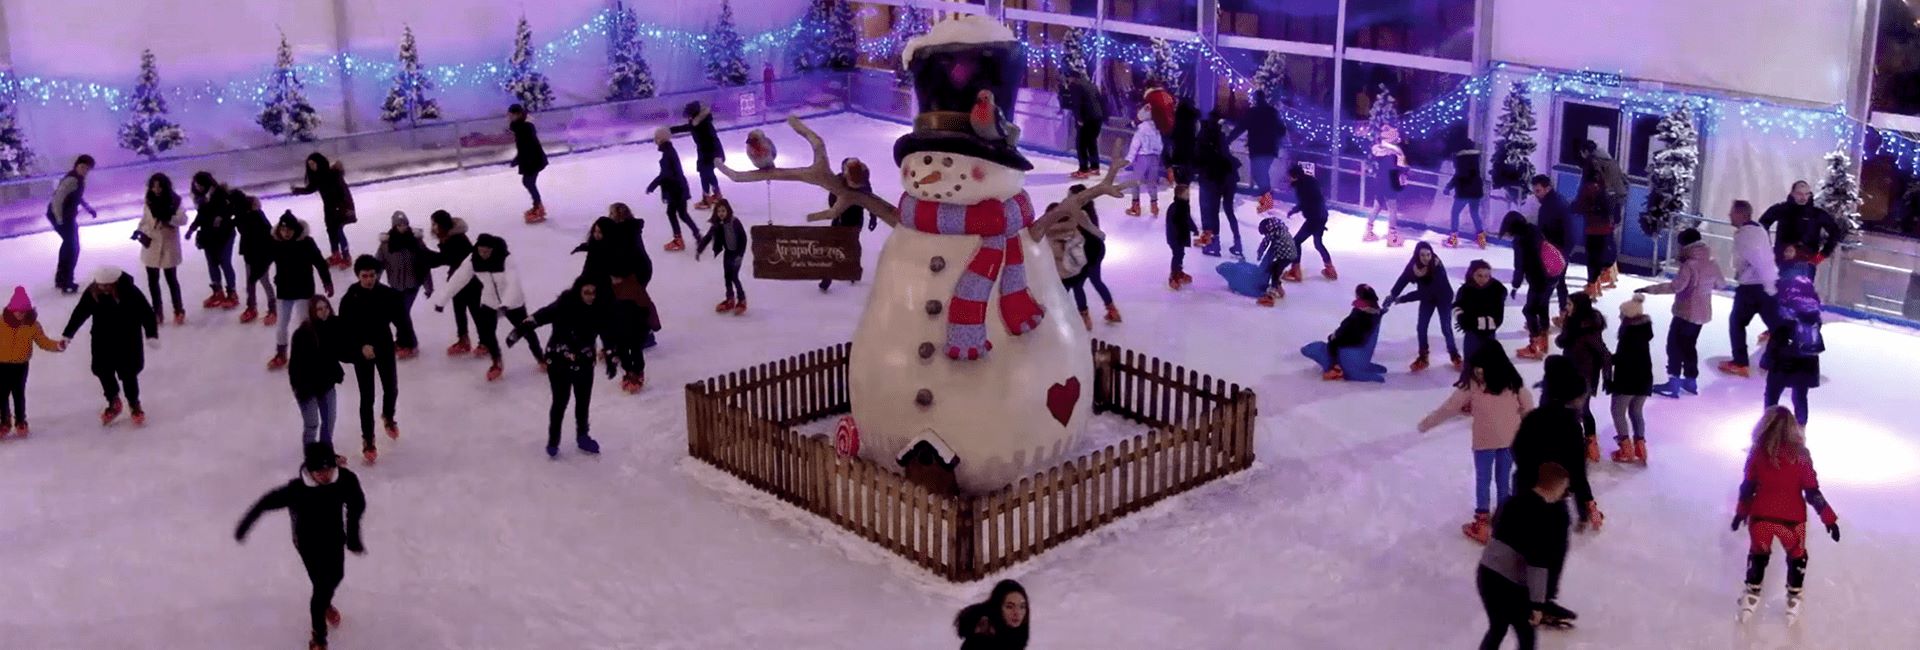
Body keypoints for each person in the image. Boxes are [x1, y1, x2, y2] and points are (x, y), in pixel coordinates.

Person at [234, 442, 367, 650]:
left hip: (334, 537)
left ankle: (324, 604)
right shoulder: (297, 490)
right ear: (309, 470)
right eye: (319, 471)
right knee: (321, 585)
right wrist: (245, 525)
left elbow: (357, 504)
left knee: (336, 576)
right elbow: (266, 502)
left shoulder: (345, 480)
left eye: (329, 469)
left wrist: (352, 536)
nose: (324, 475)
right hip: (307, 542)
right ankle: (319, 636)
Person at [1511, 356, 1598, 626]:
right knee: (1552, 549)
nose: (1584, 401)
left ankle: (1529, 594)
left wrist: (1530, 474)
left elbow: (1517, 449)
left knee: (1530, 546)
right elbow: (1577, 471)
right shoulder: (1571, 427)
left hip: (1525, 489)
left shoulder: (1536, 417)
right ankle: (1539, 601)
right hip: (1550, 497)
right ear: (1573, 398)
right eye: (1583, 397)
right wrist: (1584, 507)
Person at [1731, 406, 1839, 621]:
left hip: (1761, 517)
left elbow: (1747, 487)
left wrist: (1741, 513)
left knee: (1758, 554)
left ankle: (1752, 593)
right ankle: (1793, 598)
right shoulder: (1801, 456)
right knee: (1797, 556)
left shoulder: (1757, 453)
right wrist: (1829, 518)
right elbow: (1812, 491)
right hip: (1791, 520)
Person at [1418, 344, 1533, 544]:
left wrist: (1427, 423)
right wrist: (1523, 424)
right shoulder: (1513, 379)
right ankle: (1502, 519)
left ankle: (1481, 522)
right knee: (1503, 478)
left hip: (1485, 440)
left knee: (1483, 479)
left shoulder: (1475, 381)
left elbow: (1450, 407)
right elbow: (1528, 406)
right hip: (1510, 438)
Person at [509, 277, 616, 457]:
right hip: (559, 359)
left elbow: (608, 334)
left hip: (584, 361)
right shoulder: (563, 306)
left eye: (593, 293)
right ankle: (553, 440)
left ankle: (583, 435)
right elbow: (538, 317)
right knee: (561, 400)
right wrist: (518, 332)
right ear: (578, 292)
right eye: (586, 292)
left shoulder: (599, 310)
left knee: (583, 401)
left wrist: (611, 357)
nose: (590, 297)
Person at [1475, 461, 1574, 650]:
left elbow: (1496, 526)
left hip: (1486, 574)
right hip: (1508, 583)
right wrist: (1537, 605)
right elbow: (1537, 563)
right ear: (1559, 486)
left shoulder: (1512, 501)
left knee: (1497, 627)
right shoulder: (1545, 518)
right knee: (1526, 636)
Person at [434, 234, 541, 381]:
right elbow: (458, 278)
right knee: (487, 333)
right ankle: (496, 361)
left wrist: (506, 304)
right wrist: (442, 300)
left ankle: (541, 358)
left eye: (486, 251)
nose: (483, 254)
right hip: (489, 301)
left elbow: (513, 283)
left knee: (526, 330)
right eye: (480, 250)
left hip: (513, 302)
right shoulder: (473, 259)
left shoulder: (505, 259)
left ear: (493, 249)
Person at [61, 267, 159, 426]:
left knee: (128, 373)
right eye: (101, 286)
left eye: (107, 286)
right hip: (102, 338)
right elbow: (80, 313)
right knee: (102, 369)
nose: (104, 289)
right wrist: (68, 334)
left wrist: (151, 334)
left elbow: (146, 312)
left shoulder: (130, 291)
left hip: (128, 338)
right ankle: (113, 400)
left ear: (115, 283)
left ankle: (134, 404)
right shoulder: (93, 292)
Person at [1637, 228, 1723, 398]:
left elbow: (1676, 287)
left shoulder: (1689, 264)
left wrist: (1650, 289)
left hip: (1685, 313)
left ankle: (1673, 382)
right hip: (1702, 314)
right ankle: (1691, 380)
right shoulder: (1712, 262)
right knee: (1689, 346)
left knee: (1674, 346)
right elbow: (1720, 284)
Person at [338, 256, 406, 463]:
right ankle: (368, 439)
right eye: (364, 276)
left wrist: (403, 338)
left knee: (391, 387)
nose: (369, 279)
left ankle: (388, 416)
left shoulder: (387, 294)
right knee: (367, 397)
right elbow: (345, 329)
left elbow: (400, 319)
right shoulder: (350, 298)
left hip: (384, 346)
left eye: (372, 276)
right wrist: (360, 346)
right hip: (363, 352)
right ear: (358, 276)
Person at [266, 214, 336, 371]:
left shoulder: (306, 243)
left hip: (304, 290)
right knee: (281, 325)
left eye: (289, 229)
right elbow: (265, 260)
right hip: (284, 291)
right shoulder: (276, 243)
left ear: (295, 229)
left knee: (304, 324)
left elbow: (319, 262)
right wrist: (255, 275)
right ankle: (281, 353)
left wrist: (327, 282)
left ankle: (306, 353)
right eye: (283, 229)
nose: (286, 233)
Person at [0, 286, 66, 437]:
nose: (20, 315)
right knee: (1, 394)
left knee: (18, 393)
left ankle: (21, 420)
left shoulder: (33, 325)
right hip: (1, 365)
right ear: (11, 309)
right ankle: (4, 421)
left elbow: (43, 342)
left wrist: (57, 345)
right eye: (17, 311)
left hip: (20, 365)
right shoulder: (1, 323)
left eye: (23, 312)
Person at [1723, 200, 1778, 377]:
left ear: (1741, 214)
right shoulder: (1758, 230)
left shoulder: (1746, 235)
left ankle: (1740, 363)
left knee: (1736, 323)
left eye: (1732, 212)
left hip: (1752, 288)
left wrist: (1769, 285)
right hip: (1762, 285)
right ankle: (1770, 361)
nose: (1729, 215)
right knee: (1776, 326)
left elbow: (1759, 260)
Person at [1554, 293, 1610, 462]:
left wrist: (1608, 375)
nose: (1566, 308)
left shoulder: (1586, 329)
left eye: (1570, 305)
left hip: (1582, 377)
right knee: (1579, 410)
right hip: (1573, 374)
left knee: (1579, 411)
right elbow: (1561, 342)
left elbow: (1602, 352)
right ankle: (1588, 445)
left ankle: (1586, 446)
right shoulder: (1576, 325)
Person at [1385, 242, 1459, 371]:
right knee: (1421, 327)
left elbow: (1426, 291)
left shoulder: (1437, 266)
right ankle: (1423, 357)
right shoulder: (1413, 266)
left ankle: (1454, 355)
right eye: (1423, 255)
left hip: (1443, 297)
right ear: (1417, 255)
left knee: (1446, 328)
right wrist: (1392, 295)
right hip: (1427, 299)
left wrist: (1403, 298)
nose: (1426, 258)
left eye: (1428, 254)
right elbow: (1403, 279)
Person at [1502, 211, 1565, 360]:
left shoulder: (1520, 241)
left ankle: (1534, 345)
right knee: (1543, 306)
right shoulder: (1533, 229)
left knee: (1529, 311)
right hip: (1552, 275)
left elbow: (1520, 266)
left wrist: (1516, 285)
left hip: (1538, 279)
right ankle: (1544, 340)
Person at [1762, 272, 1824, 425]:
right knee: (1800, 397)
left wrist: (1766, 361)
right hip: (1806, 362)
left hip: (1783, 359)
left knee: (1772, 395)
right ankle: (1800, 431)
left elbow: (1777, 334)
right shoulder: (1814, 310)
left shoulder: (1785, 308)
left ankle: (1769, 428)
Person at [287, 297, 346, 453]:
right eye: (319, 309)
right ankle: (312, 456)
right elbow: (295, 366)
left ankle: (326, 453)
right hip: (306, 387)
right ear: (312, 311)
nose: (324, 312)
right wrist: (299, 388)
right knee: (312, 424)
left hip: (326, 384)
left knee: (329, 422)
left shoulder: (334, 326)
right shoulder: (302, 334)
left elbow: (342, 351)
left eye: (325, 307)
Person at [373, 212, 433, 359]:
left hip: (413, 284)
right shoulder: (386, 245)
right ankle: (402, 341)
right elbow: (378, 264)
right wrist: (373, 282)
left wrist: (428, 285)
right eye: (399, 225)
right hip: (395, 285)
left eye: (405, 224)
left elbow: (424, 264)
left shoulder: (416, 242)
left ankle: (411, 344)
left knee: (403, 314)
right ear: (394, 226)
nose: (403, 227)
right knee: (399, 315)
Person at [1759, 181, 1845, 278]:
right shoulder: (1781, 209)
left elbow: (1835, 232)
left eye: (1806, 194)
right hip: (1781, 261)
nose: (1803, 197)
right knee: (1780, 291)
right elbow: (1761, 226)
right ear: (1792, 193)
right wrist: (1768, 250)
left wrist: (1820, 256)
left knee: (1801, 292)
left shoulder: (1817, 214)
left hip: (1806, 262)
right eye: (1799, 194)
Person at [135, 173, 190, 325]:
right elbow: (145, 219)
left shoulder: (175, 200)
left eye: (159, 186)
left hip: (168, 245)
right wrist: (140, 230)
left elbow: (183, 219)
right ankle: (157, 311)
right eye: (153, 186)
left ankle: (178, 310)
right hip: (152, 245)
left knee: (171, 280)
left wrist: (168, 218)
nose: (156, 189)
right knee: (153, 281)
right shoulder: (149, 201)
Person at [427, 210, 481, 356]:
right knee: (459, 311)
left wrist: (424, 254)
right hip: (457, 281)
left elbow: (446, 259)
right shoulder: (448, 237)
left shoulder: (457, 239)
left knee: (476, 312)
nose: (432, 227)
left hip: (470, 282)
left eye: (434, 224)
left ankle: (485, 342)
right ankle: (463, 340)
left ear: (442, 224)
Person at [290, 153, 357, 268]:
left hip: (340, 208)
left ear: (319, 162)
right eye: (309, 165)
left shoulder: (333, 174)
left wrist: (346, 208)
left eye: (313, 164)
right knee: (331, 232)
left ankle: (346, 257)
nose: (311, 167)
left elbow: (344, 191)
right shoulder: (317, 177)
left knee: (339, 232)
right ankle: (336, 255)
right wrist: (297, 190)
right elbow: (310, 188)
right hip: (329, 209)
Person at [1065, 185, 1119, 326]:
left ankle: (1085, 318)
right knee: (1096, 280)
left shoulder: (1079, 214)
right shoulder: (1089, 208)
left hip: (1088, 252)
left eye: (1070, 195)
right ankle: (1112, 310)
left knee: (1078, 285)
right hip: (1097, 249)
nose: (1067, 198)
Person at [1193, 108, 1243, 258]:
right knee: (1228, 210)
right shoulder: (1221, 136)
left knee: (1211, 211)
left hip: (1212, 178)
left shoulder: (1204, 136)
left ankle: (1213, 244)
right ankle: (1237, 243)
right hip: (1229, 176)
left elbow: (1198, 157)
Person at [1578, 140, 1627, 291]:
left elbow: (1587, 187)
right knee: (1608, 239)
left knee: (1594, 247)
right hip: (1614, 204)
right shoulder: (1611, 160)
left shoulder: (1592, 162)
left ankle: (1594, 281)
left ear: (1585, 151)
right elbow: (1623, 181)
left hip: (1598, 209)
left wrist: (1580, 204)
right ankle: (1609, 273)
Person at [186, 173, 239, 310]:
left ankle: (232, 292)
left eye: (200, 185)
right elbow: (201, 215)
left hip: (224, 235)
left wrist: (221, 217)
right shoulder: (201, 199)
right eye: (196, 185)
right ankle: (217, 291)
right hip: (208, 236)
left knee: (224, 261)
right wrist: (192, 229)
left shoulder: (220, 194)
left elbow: (230, 209)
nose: (197, 187)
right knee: (212, 263)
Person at [46, 154, 97, 294]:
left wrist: (88, 208)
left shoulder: (79, 179)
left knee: (70, 246)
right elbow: (57, 200)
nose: (84, 170)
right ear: (76, 165)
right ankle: (66, 282)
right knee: (72, 248)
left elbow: (77, 196)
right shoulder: (71, 180)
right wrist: (59, 220)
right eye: (82, 167)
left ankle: (62, 279)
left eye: (87, 168)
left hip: (66, 216)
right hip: (61, 216)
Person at [1229, 89, 1286, 213]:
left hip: (1257, 149)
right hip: (1270, 148)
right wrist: (1276, 139)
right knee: (1263, 173)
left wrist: (1228, 139)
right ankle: (1266, 199)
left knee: (1258, 174)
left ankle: (1267, 200)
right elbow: (1282, 130)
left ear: (1255, 99)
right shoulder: (1272, 112)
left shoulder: (1252, 113)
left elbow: (1240, 128)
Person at [820, 159, 872, 292]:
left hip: (855, 218)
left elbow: (871, 200)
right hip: (839, 218)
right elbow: (832, 198)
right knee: (832, 246)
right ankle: (828, 276)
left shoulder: (863, 180)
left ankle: (853, 268)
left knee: (852, 244)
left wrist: (873, 217)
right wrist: (835, 209)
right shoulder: (838, 181)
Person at [647, 128, 702, 251]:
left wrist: (653, 185)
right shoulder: (669, 151)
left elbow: (665, 175)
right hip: (679, 188)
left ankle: (680, 239)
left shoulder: (668, 153)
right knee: (681, 214)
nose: (655, 140)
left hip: (676, 190)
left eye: (656, 138)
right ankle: (696, 235)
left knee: (674, 213)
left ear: (661, 139)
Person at [1282, 164, 1336, 282]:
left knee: (1295, 242)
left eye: (1290, 177)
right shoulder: (1311, 181)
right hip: (1322, 215)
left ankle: (1296, 271)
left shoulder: (1301, 186)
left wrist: (1294, 210)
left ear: (1295, 176)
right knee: (1318, 243)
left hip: (1314, 218)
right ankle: (1331, 270)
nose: (1289, 179)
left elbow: (1305, 202)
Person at [696, 199, 750, 315]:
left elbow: (743, 239)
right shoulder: (717, 225)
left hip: (737, 254)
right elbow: (708, 237)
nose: (721, 213)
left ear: (728, 211)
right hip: (728, 253)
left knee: (734, 277)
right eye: (719, 211)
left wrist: (740, 254)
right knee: (727, 277)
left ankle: (742, 299)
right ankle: (730, 299)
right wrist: (699, 250)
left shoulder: (735, 222)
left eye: (723, 211)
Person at [1530, 175, 1574, 315]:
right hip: (1562, 248)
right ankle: (1564, 313)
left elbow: (1544, 231)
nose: (1536, 195)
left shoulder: (1549, 206)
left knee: (1547, 287)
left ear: (1547, 188)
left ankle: (1540, 323)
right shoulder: (1556, 201)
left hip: (1556, 249)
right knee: (1559, 282)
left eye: (1538, 191)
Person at [670, 101, 726, 209]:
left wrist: (670, 130)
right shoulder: (701, 122)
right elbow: (688, 127)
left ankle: (707, 199)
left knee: (705, 174)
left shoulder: (700, 124)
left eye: (689, 116)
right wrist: (671, 130)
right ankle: (716, 194)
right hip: (709, 152)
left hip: (708, 153)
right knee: (708, 174)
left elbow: (689, 128)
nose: (688, 118)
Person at [234, 191, 280, 325]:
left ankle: (272, 309)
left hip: (261, 255)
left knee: (263, 280)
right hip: (250, 254)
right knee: (250, 282)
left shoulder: (258, 218)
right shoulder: (242, 218)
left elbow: (269, 235)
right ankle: (251, 307)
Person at [1320, 284, 1383, 381]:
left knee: (1333, 344)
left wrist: (1336, 335)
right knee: (1334, 339)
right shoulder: (1373, 310)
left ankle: (1336, 368)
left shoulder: (1362, 313)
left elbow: (1349, 327)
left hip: (1355, 339)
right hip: (1359, 337)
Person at [1453, 260, 1507, 363]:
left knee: (1488, 359)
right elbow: (1457, 306)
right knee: (1470, 357)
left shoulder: (1496, 290)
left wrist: (1474, 322)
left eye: (1487, 276)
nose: (1483, 279)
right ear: (1472, 274)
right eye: (1479, 275)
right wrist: (1461, 319)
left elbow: (1498, 316)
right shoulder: (1465, 290)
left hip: (1489, 332)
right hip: (1472, 332)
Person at [954, 579, 1030, 650]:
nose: (1017, 613)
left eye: (1022, 607)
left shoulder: (1015, 636)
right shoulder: (980, 642)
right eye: (1009, 607)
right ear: (998, 608)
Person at [1364, 127, 1408, 246]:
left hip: (1380, 181)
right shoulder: (1395, 153)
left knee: (1377, 206)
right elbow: (1401, 168)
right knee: (1392, 208)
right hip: (1390, 182)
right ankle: (1392, 236)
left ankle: (1368, 231)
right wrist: (1405, 170)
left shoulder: (1379, 151)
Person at [507, 103, 550, 223]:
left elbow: (527, 146)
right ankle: (537, 205)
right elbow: (523, 147)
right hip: (529, 159)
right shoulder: (519, 127)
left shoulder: (525, 128)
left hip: (533, 159)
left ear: (518, 114)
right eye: (509, 115)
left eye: (512, 115)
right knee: (528, 182)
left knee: (528, 182)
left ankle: (538, 206)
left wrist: (518, 159)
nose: (510, 117)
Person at [1443, 139, 1488, 249]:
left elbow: (1458, 175)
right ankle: (1481, 239)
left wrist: (1448, 186)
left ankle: (1453, 239)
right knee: (1474, 213)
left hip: (1464, 191)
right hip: (1476, 191)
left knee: (1455, 213)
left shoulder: (1461, 158)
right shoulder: (1475, 158)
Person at [1062, 72, 1105, 179]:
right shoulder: (1091, 84)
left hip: (1087, 118)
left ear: (1073, 78)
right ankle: (1095, 167)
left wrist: (1079, 118)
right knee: (1091, 142)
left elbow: (1077, 103)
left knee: (1081, 144)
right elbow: (1100, 100)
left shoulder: (1075, 86)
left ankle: (1083, 169)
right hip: (1097, 117)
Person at [1124, 107, 1165, 217]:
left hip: (1142, 157)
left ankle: (1135, 206)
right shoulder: (1157, 129)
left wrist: (1129, 159)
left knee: (1135, 181)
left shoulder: (1141, 129)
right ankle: (1154, 206)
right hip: (1154, 157)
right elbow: (1160, 145)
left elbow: (1135, 145)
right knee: (1152, 182)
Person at [1252, 216, 1297, 306]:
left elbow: (1265, 242)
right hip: (1291, 254)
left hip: (1285, 256)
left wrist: (1259, 253)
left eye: (1264, 233)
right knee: (1274, 268)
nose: (1265, 235)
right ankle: (1279, 288)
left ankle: (1270, 297)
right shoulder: (1280, 228)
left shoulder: (1272, 232)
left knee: (1275, 272)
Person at [1164, 183, 1197, 289]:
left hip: (1181, 236)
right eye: (1186, 194)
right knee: (1177, 255)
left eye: (1188, 193)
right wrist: (1176, 236)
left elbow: (1187, 219)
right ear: (1179, 195)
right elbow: (1173, 223)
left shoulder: (1184, 206)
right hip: (1175, 237)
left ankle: (1178, 270)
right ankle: (1173, 275)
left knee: (1180, 254)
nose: (1188, 196)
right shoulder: (1175, 208)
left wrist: (1194, 228)